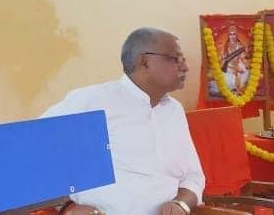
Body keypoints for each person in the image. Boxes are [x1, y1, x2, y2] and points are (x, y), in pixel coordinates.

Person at [42, 28, 204, 215]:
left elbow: (193, 176)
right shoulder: (92, 102)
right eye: (176, 59)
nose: (185, 67)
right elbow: (34, 148)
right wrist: (67, 206)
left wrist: (181, 204)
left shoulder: (174, 110)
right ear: (144, 62)